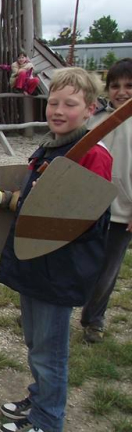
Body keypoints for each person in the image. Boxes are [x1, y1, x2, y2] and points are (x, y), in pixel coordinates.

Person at [0, 68, 112, 432]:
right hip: (36, 263)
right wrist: (4, 198)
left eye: (70, 104)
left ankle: (48, 421)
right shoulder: (51, 145)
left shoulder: (93, 155)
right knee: (36, 341)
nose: (58, 110)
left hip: (61, 267)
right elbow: (31, 201)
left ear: (90, 109)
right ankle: (40, 399)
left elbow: (85, 218)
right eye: (53, 102)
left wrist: (45, 203)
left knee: (50, 351)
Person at [80, 58, 132, 343]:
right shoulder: (96, 119)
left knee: (107, 272)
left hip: (121, 212)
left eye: (129, 86)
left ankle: (93, 319)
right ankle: (54, 308)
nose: (121, 92)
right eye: (115, 86)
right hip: (88, 208)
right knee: (73, 262)